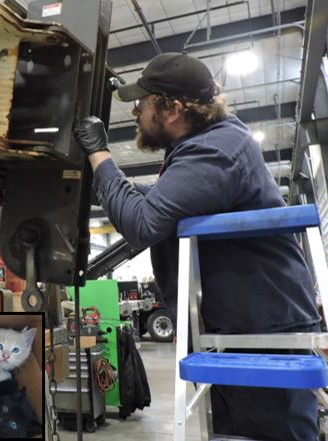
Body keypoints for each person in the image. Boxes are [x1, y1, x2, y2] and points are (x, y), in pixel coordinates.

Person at [73, 52, 321, 440]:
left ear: (172, 108)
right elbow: (153, 203)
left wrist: (99, 156)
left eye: (143, 102)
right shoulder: (206, 144)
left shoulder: (214, 151)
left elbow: (143, 223)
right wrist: (105, 188)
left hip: (261, 334)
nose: (136, 111)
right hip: (237, 330)